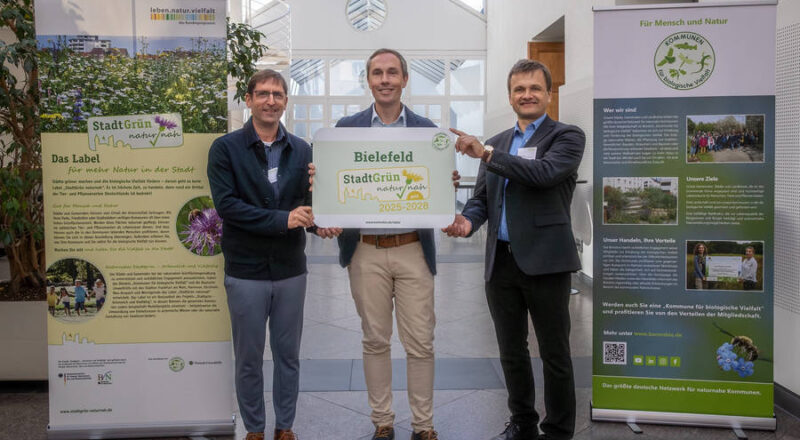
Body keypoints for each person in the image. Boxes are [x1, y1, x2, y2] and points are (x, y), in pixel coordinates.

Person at [443, 59, 585, 440]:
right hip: (501, 263)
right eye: (519, 89)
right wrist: (467, 221)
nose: (527, 95)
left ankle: (558, 431)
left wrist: (487, 154)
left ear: (549, 94)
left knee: (555, 353)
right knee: (511, 350)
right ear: (510, 97)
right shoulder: (499, 141)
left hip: (547, 262)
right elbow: (482, 198)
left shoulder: (567, 137)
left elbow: (543, 174)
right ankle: (522, 423)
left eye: (535, 88)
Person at [207, 69, 339, 440]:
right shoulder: (225, 149)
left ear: (285, 102)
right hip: (245, 271)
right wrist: (284, 219)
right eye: (263, 93)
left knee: (288, 356)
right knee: (249, 358)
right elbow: (228, 206)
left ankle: (284, 426)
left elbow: (308, 204)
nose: (270, 100)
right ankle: (254, 429)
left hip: (290, 270)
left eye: (277, 94)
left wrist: (320, 224)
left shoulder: (303, 149)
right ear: (248, 100)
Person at [328, 48, 440, 440]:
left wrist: (444, 183)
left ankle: (424, 425)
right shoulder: (345, 129)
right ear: (368, 80)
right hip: (365, 250)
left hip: (413, 249)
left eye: (392, 72)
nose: (385, 80)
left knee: (420, 342)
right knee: (375, 340)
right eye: (377, 73)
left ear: (405, 79)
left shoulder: (427, 130)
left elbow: (434, 185)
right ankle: (383, 422)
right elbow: (335, 184)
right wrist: (321, 182)